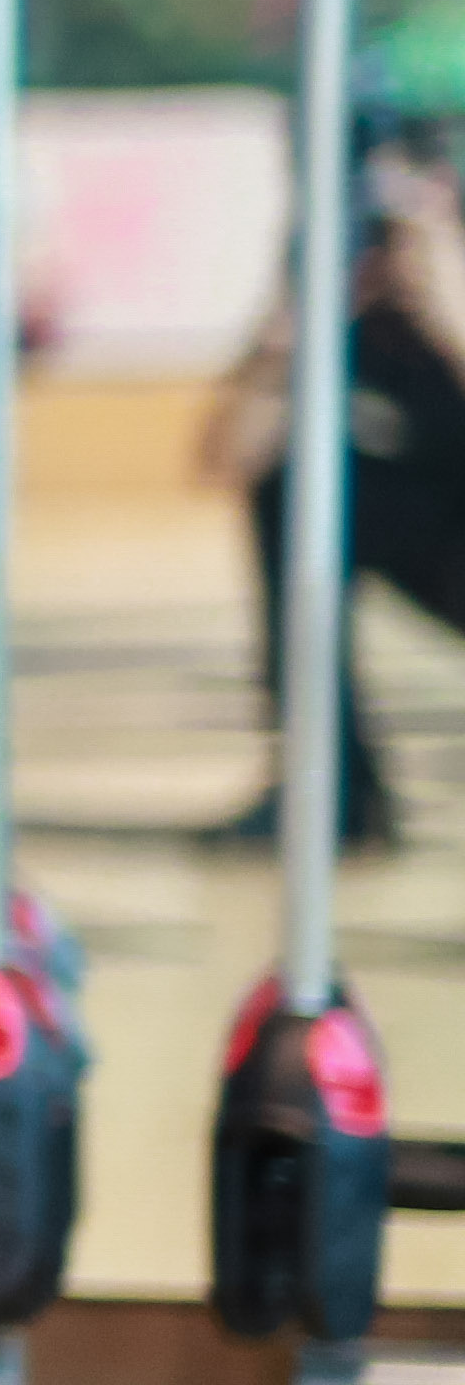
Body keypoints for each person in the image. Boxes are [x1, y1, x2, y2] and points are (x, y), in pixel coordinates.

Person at [206, 121, 465, 852]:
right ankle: (335, 791)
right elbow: (223, 463)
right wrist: (284, 343)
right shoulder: (346, 304)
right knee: (290, 492)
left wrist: (449, 308)